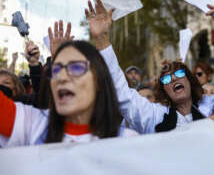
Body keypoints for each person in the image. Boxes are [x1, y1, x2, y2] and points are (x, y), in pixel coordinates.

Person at [87, 0, 214, 134]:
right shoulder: (153, 116)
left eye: (180, 74)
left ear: (190, 81)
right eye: (167, 78)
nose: (174, 78)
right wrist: (102, 39)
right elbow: (122, 94)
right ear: (164, 90)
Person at [0, 38, 135, 147]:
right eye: (56, 70)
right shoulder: (32, 125)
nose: (61, 77)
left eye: (76, 67)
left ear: (98, 81)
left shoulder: (128, 143)